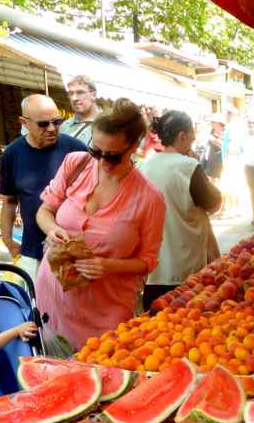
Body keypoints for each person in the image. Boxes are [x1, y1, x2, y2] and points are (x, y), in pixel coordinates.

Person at [35, 98, 166, 351]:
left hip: (106, 315)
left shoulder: (149, 198)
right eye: (96, 151)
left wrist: (106, 265)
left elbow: (148, 261)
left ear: (134, 148)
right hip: (53, 299)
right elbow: (44, 211)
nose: (102, 162)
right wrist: (52, 230)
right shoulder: (76, 163)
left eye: (113, 156)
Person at [0, 94, 87, 280]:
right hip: (32, 249)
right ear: (24, 122)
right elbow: (9, 201)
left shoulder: (76, 150)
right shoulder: (12, 154)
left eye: (57, 121)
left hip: (74, 249)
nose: (52, 129)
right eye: (43, 124)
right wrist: (7, 239)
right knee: (39, 306)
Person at [139, 111, 222, 309]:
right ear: (182, 136)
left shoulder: (144, 166)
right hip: (187, 267)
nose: (194, 138)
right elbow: (213, 203)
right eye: (192, 133)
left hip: (154, 270)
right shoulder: (188, 166)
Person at [60, 75, 101, 146]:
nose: (74, 98)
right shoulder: (64, 126)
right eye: (71, 93)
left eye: (80, 93)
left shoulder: (107, 124)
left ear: (93, 95)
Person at [203, 112, 225, 181]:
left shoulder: (224, 131)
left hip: (219, 160)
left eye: (213, 122)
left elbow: (224, 146)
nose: (211, 123)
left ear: (218, 123)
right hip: (210, 159)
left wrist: (214, 140)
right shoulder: (212, 130)